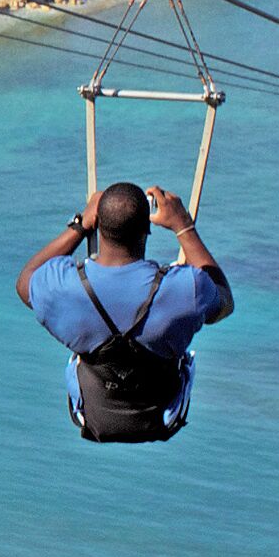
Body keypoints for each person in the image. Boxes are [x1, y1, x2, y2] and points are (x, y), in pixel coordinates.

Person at [19, 180, 234, 442]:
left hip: (92, 412)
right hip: (163, 414)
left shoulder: (63, 288)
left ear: (98, 225)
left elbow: (25, 282)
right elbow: (224, 300)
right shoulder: (186, 289)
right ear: (147, 230)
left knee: (85, 344)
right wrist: (183, 226)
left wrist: (80, 224)